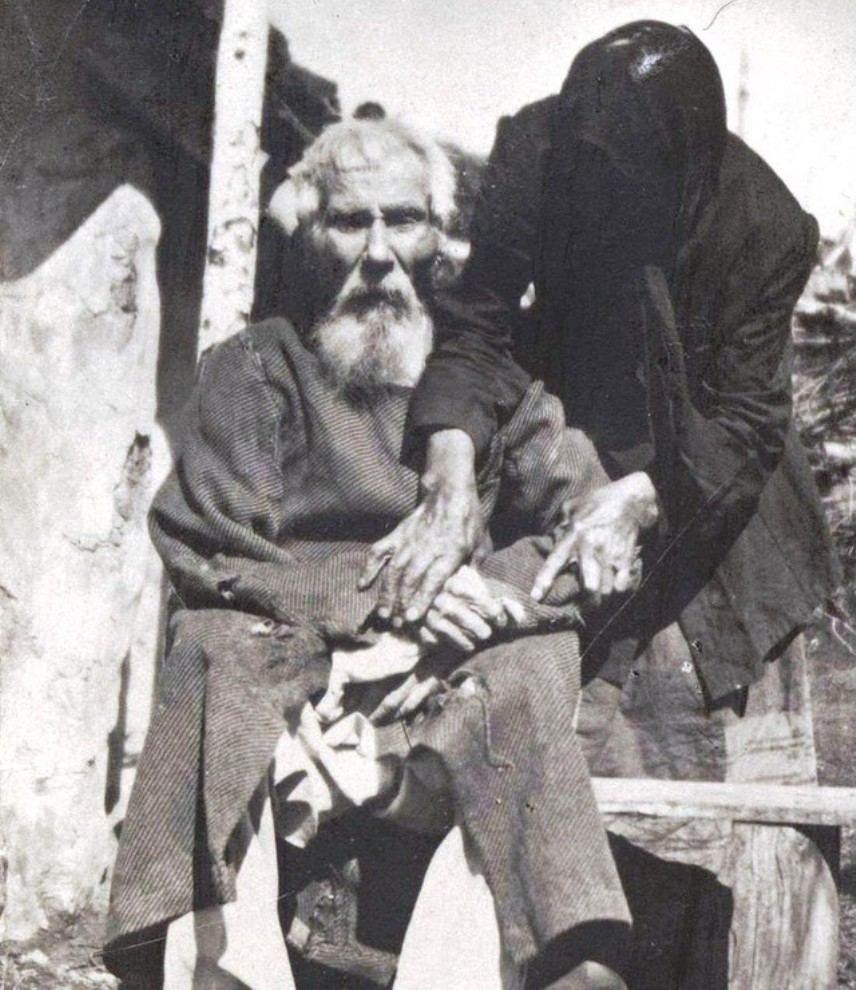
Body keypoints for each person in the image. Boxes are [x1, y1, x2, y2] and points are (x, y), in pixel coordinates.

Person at [103, 115, 635, 990]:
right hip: (296, 654)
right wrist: (385, 601)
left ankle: (556, 957)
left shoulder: (493, 382)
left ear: (442, 238)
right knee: (209, 647)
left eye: (404, 220)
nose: (380, 253)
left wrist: (477, 595)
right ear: (312, 235)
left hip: (449, 671)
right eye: (352, 222)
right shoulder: (257, 368)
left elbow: (589, 524)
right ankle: (219, 965)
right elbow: (211, 544)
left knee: (531, 662)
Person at [366, 22, 840, 772]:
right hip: (573, 428)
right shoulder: (538, 149)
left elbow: (746, 423)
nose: (598, 192)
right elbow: (478, 323)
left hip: (707, 470)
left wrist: (643, 497)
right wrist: (447, 478)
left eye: (622, 176)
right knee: (514, 684)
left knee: (682, 720)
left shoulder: (762, 226)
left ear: (682, 163)